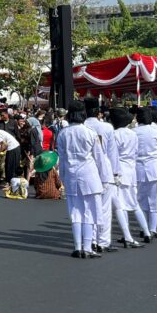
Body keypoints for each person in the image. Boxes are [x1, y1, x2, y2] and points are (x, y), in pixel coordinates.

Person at [57, 102, 105, 258]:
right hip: (89, 175)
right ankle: (88, 247)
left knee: (75, 212)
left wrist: (62, 178)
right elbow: (99, 158)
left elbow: (62, 159)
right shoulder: (90, 133)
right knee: (89, 211)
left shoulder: (63, 134)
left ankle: (77, 247)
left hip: (71, 175)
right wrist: (104, 178)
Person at [109, 107, 151, 246]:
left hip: (120, 169)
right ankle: (146, 231)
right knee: (133, 203)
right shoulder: (133, 133)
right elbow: (136, 152)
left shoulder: (115, 134)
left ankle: (127, 235)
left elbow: (113, 155)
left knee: (120, 205)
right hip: (131, 169)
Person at [83, 99, 117, 253]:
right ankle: (103, 241)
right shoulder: (107, 127)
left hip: (86, 170)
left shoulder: (81, 127)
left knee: (88, 207)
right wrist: (115, 172)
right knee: (104, 208)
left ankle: (91, 240)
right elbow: (112, 152)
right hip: (104, 169)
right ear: (99, 112)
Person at [135, 105, 157, 237]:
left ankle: (144, 228)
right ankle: (152, 228)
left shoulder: (133, 132)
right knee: (155, 200)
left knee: (141, 200)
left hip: (138, 168)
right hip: (155, 168)